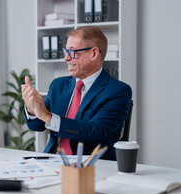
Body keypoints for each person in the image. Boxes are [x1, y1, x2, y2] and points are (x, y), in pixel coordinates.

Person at [22, 26, 132, 160]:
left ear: (94, 53)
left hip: (91, 165)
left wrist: (47, 116)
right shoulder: (58, 85)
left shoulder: (118, 91)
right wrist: (31, 108)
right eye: (66, 51)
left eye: (72, 52)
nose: (66, 58)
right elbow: (37, 125)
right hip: (52, 161)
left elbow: (96, 132)